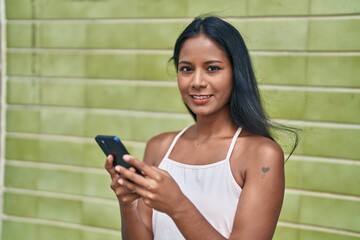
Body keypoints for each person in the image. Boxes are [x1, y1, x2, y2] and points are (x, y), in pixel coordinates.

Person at [104, 16, 298, 240]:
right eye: (186, 69)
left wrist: (178, 206)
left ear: (236, 73)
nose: (196, 81)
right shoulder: (160, 147)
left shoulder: (261, 154)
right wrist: (128, 204)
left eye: (212, 68)